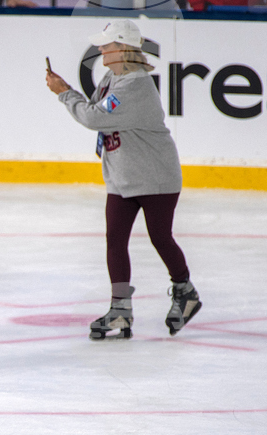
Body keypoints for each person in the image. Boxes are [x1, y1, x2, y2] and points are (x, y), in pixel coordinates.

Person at [46, 20, 201, 340]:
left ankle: (185, 290)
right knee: (115, 239)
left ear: (122, 49)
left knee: (160, 237)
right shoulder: (112, 77)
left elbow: (93, 117)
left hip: (155, 174)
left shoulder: (136, 86)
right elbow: (95, 109)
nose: (100, 49)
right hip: (121, 173)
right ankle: (120, 310)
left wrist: (64, 94)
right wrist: (70, 93)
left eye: (106, 45)